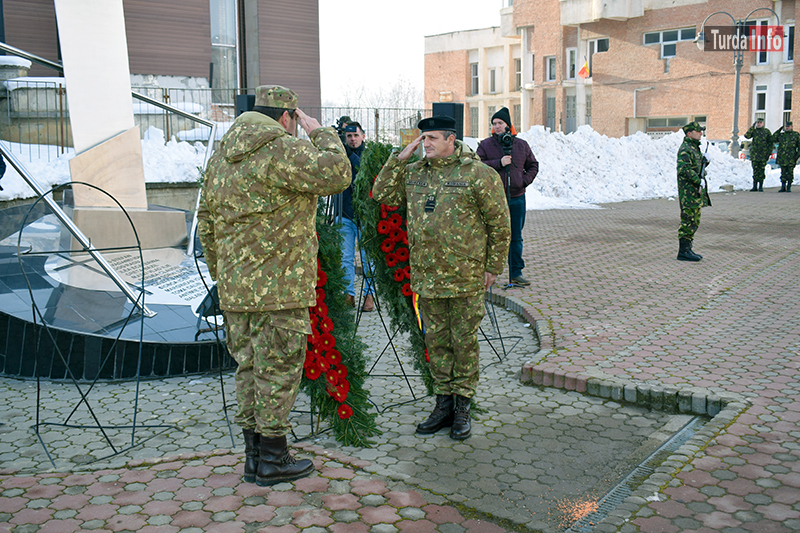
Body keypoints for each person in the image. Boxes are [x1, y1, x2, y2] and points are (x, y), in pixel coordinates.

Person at [197, 85, 350, 486]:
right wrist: (321, 133)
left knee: (247, 368)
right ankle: (273, 458)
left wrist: (224, 272)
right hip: (280, 291)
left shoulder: (219, 160)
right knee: (278, 370)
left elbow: (206, 224)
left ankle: (253, 456)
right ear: (287, 117)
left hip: (235, 292)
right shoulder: (284, 149)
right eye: (295, 121)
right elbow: (339, 174)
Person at [372, 116, 510, 440]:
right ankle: (443, 403)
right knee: (436, 343)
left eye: (432, 138)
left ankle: (463, 406)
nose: (426, 144)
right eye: (423, 138)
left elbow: (500, 225)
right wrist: (398, 158)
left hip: (465, 276)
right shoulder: (415, 173)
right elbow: (381, 194)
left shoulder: (479, 174)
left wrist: (493, 267)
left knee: (463, 343)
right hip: (428, 277)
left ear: (451, 139)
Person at [476, 107, 538, 287]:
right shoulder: (486, 145)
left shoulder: (521, 145)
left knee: (516, 237)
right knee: (490, 236)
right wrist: (498, 163)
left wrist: (523, 181)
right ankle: (487, 273)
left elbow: (533, 165)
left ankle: (516, 273)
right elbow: (477, 166)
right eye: (494, 124)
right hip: (494, 200)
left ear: (508, 125)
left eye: (500, 123)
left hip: (517, 198)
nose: (497, 127)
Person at [334, 121, 375, 311]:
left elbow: (364, 175)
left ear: (363, 136)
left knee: (368, 259)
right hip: (344, 213)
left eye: (355, 135)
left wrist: (349, 155)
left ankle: (369, 296)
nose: (352, 139)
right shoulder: (339, 155)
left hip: (365, 216)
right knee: (345, 257)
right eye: (348, 136)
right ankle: (348, 294)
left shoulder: (370, 155)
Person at [676, 121, 706, 262]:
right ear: (689, 133)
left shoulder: (694, 148)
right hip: (688, 191)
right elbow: (684, 169)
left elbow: (694, 166)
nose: (701, 133)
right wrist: (697, 180)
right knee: (688, 219)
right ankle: (683, 251)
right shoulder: (686, 148)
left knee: (694, 219)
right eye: (698, 131)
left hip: (694, 191)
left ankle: (688, 249)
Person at [744, 118, 773, 192]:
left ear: (763, 123)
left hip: (763, 154)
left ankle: (760, 186)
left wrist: (769, 153)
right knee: (755, 171)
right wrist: (752, 128)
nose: (759, 124)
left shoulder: (766, 132)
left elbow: (770, 143)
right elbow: (747, 136)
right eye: (758, 122)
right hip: (755, 155)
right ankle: (754, 186)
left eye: (760, 122)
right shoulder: (754, 131)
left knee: (761, 170)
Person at [772, 121, 800, 192]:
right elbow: (773, 138)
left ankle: (789, 186)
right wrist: (779, 130)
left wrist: (797, 155)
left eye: (788, 126)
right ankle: (783, 186)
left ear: (792, 127)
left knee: (790, 172)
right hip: (782, 157)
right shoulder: (781, 135)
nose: (787, 128)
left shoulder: (796, 135)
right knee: (783, 173)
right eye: (786, 126)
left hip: (791, 157)